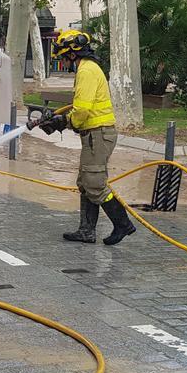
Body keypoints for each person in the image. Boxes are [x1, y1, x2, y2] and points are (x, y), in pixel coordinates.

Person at [36, 30, 136, 246]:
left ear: (72, 54)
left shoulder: (87, 71)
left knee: (95, 183)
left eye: (63, 57)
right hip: (94, 135)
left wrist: (62, 122)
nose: (63, 61)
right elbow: (81, 108)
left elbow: (81, 111)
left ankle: (123, 224)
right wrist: (59, 118)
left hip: (98, 134)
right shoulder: (87, 69)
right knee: (85, 182)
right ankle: (87, 231)